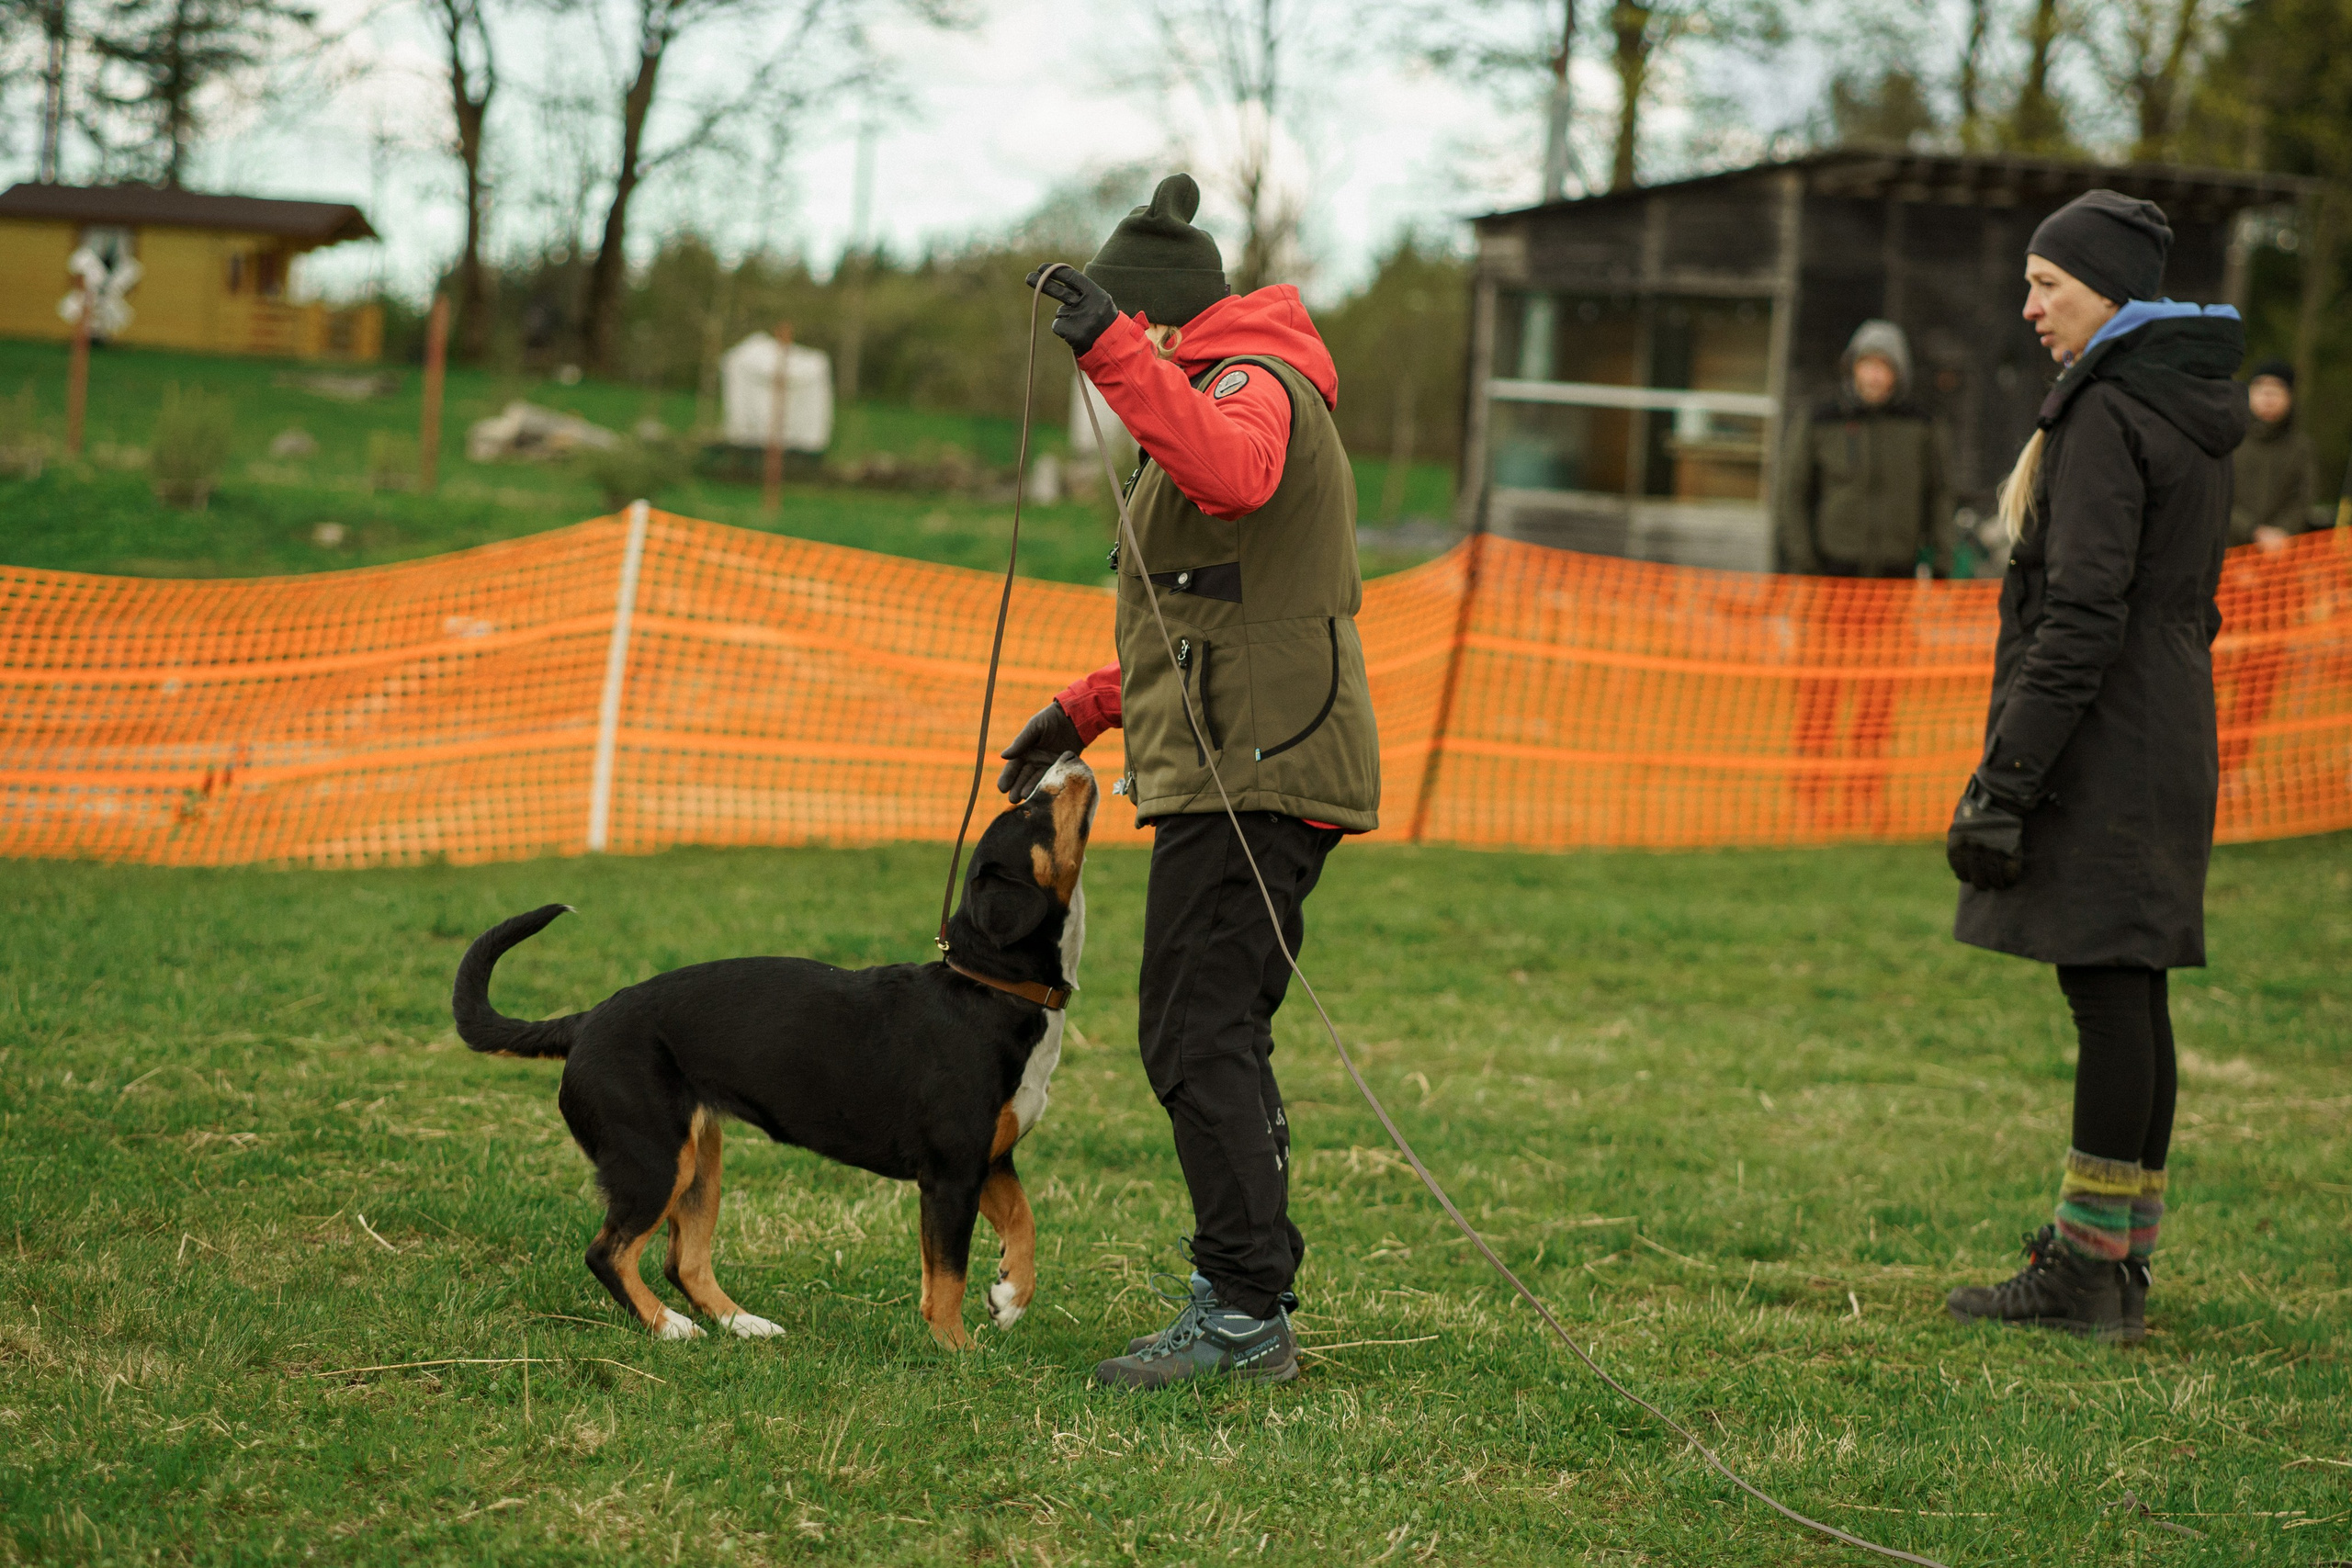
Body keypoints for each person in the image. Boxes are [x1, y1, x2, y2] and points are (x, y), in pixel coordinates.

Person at [997, 174, 1379, 1390]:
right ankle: (1249, 1287)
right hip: (1240, 752)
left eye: (1131, 337)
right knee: (1213, 1028)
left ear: (1159, 321)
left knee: (1194, 1029)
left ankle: (1243, 1310)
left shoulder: (1247, 385)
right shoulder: (1221, 381)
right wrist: (1087, 704)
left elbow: (1236, 475)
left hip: (1252, 768)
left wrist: (1110, 350)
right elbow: (1207, 606)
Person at [1943, 190, 2246, 1342]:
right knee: (2130, 990)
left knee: (2109, 991)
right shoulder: (2180, 407)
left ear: (2107, 291)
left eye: (2046, 285)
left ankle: (2082, 1269)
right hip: (2169, 722)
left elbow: (2080, 614)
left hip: (2112, 733)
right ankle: (2117, 1261)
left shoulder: (2110, 413)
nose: (2027, 307)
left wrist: (2005, 780)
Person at [1774, 321, 1957, 831]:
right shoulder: (1821, 419)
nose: (1874, 377)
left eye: (1884, 367)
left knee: (1879, 697)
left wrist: (1938, 563)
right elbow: (1793, 495)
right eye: (1866, 365)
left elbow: (1939, 496)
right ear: (1853, 368)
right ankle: (1809, 795)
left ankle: (1864, 795)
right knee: (1820, 694)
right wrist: (1806, 563)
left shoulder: (1922, 425)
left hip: (1893, 585)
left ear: (1898, 374)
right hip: (1831, 581)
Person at [2228, 358, 2314, 549]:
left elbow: (2302, 498)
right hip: (2230, 550)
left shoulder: (2301, 448)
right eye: (2260, 388)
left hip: (2282, 553)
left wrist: (2281, 532)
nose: (2268, 397)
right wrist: (2252, 531)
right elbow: (2217, 496)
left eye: (2277, 389)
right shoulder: (2228, 440)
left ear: (2289, 397)